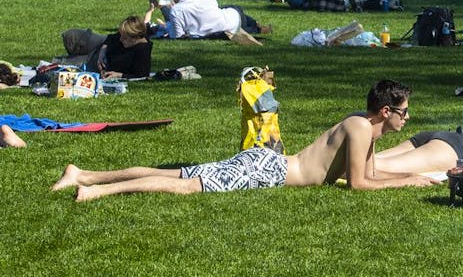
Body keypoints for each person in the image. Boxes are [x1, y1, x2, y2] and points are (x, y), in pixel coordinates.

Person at [51, 80, 437, 201]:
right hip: (268, 171)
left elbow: (369, 174)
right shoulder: (360, 127)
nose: (407, 118)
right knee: (186, 184)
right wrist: (409, 182)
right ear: (385, 111)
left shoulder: (366, 128)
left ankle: (84, 174)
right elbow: (358, 184)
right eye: (404, 112)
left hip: (266, 164)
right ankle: (96, 190)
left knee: (178, 173)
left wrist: (414, 179)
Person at [62, 16, 153, 79]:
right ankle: (76, 55)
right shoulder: (128, 35)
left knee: (61, 65)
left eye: (125, 38)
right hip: (102, 47)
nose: (121, 39)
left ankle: (75, 58)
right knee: (71, 35)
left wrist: (119, 75)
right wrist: (102, 51)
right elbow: (111, 38)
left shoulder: (142, 52)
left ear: (136, 38)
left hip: (98, 64)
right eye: (121, 36)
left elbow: (141, 75)